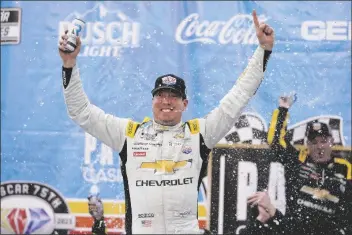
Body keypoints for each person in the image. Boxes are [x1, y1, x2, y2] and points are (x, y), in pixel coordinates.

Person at [58, 10, 275, 234]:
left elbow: (238, 97)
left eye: (174, 96)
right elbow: (80, 111)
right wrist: (69, 64)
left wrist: (263, 51)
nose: (166, 101)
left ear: (185, 103)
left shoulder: (200, 133)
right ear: (152, 101)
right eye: (160, 95)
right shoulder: (129, 135)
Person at [247, 93, 352, 235]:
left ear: (331, 141)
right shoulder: (297, 162)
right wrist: (283, 109)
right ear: (307, 144)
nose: (319, 146)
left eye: (323, 141)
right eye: (314, 142)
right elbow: (275, 141)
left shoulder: (345, 167)